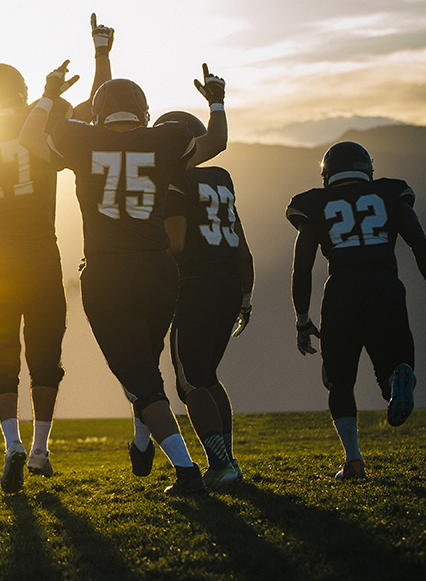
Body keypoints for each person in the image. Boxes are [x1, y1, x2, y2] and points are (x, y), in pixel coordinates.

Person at [19, 61, 229, 495]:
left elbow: (26, 138)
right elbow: (217, 142)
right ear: (143, 110)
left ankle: (187, 471)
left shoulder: (79, 137)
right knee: (145, 369)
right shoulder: (165, 140)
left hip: (108, 271)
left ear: (98, 113)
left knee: (141, 380)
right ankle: (142, 442)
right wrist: (217, 103)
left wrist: (48, 93)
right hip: (158, 271)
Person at [0, 14, 114, 493]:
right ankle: (40, 449)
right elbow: (94, 111)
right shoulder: (43, 120)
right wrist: (100, 54)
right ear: (20, 91)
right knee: (45, 353)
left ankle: (11, 443)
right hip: (41, 253)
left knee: (0, 357)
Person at [287, 141, 426, 480]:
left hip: (341, 291)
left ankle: (353, 461)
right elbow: (419, 243)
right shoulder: (391, 193)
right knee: (390, 370)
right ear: (366, 168)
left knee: (339, 382)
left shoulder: (312, 204)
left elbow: (302, 267)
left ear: (327, 174)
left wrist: (303, 320)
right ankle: (397, 379)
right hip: (386, 287)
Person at [151, 109, 254, 488]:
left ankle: (220, 464)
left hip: (195, 284)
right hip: (228, 281)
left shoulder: (174, 180)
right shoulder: (221, 179)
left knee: (189, 381)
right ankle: (227, 461)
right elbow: (243, 249)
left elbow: (175, 242)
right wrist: (245, 296)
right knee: (208, 376)